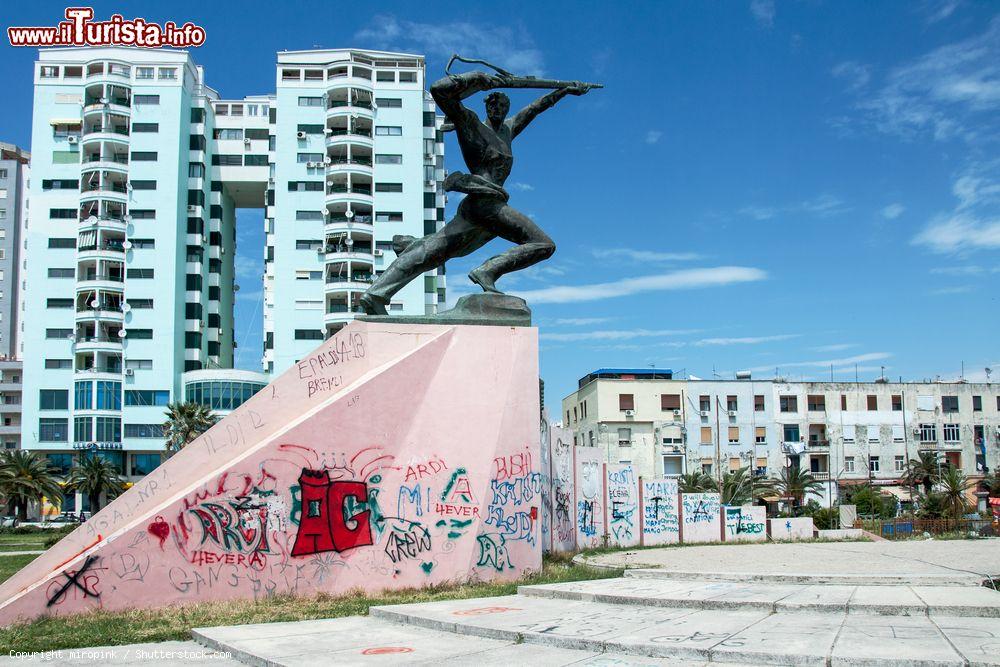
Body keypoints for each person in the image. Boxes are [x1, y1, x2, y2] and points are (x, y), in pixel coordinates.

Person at [359, 70, 593, 315]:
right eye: (493, 104)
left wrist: (564, 90)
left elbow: (534, 109)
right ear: (486, 106)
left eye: (503, 105)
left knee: (432, 251)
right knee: (543, 244)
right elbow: (440, 90)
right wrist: (477, 78)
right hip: (485, 203)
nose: (498, 109)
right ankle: (488, 270)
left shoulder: (507, 131)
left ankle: (376, 293)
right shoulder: (469, 122)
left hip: (483, 206)